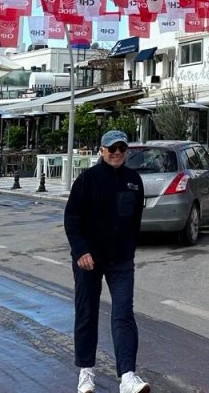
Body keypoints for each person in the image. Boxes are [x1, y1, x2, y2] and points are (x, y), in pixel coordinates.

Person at [65, 130, 149, 393]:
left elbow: (135, 219)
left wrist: (129, 249)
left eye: (122, 149)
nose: (116, 153)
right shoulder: (87, 180)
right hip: (88, 260)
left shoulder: (133, 180)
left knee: (123, 314)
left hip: (121, 261)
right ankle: (86, 373)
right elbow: (72, 219)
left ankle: (127, 376)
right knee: (87, 312)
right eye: (111, 148)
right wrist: (81, 252)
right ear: (101, 150)